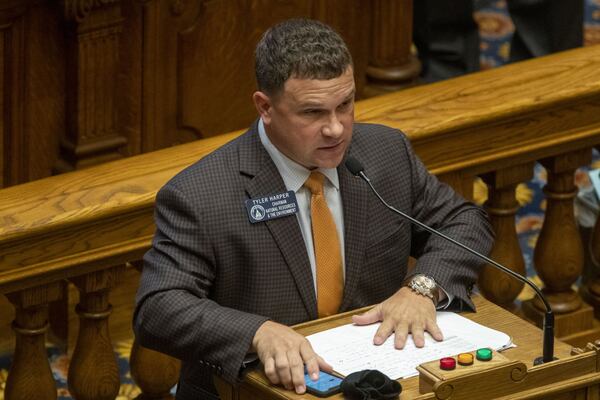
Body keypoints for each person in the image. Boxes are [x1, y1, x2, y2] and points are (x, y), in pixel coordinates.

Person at [134, 18, 494, 400]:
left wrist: (422, 289)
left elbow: (463, 221)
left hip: (377, 381)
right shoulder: (202, 194)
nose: (336, 129)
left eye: (345, 105)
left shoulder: (385, 153)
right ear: (265, 107)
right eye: (312, 113)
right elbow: (159, 306)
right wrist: (256, 332)